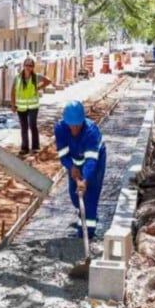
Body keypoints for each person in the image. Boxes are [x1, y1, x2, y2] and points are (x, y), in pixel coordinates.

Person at [55, 101, 106, 238]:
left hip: (95, 163)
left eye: (77, 125)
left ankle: (86, 234)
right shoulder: (60, 129)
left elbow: (91, 160)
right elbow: (63, 154)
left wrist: (85, 179)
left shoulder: (91, 132)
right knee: (75, 196)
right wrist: (71, 167)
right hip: (74, 162)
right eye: (71, 126)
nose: (75, 129)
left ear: (83, 121)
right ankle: (87, 215)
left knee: (90, 196)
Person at [12, 57, 51, 155]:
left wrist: (39, 87)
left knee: (33, 125)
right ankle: (24, 148)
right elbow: (13, 91)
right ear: (23, 66)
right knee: (24, 127)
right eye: (26, 65)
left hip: (33, 106)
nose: (28, 67)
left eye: (30, 66)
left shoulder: (36, 77)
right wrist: (13, 104)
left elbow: (48, 81)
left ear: (33, 67)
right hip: (21, 107)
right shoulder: (17, 78)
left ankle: (35, 147)